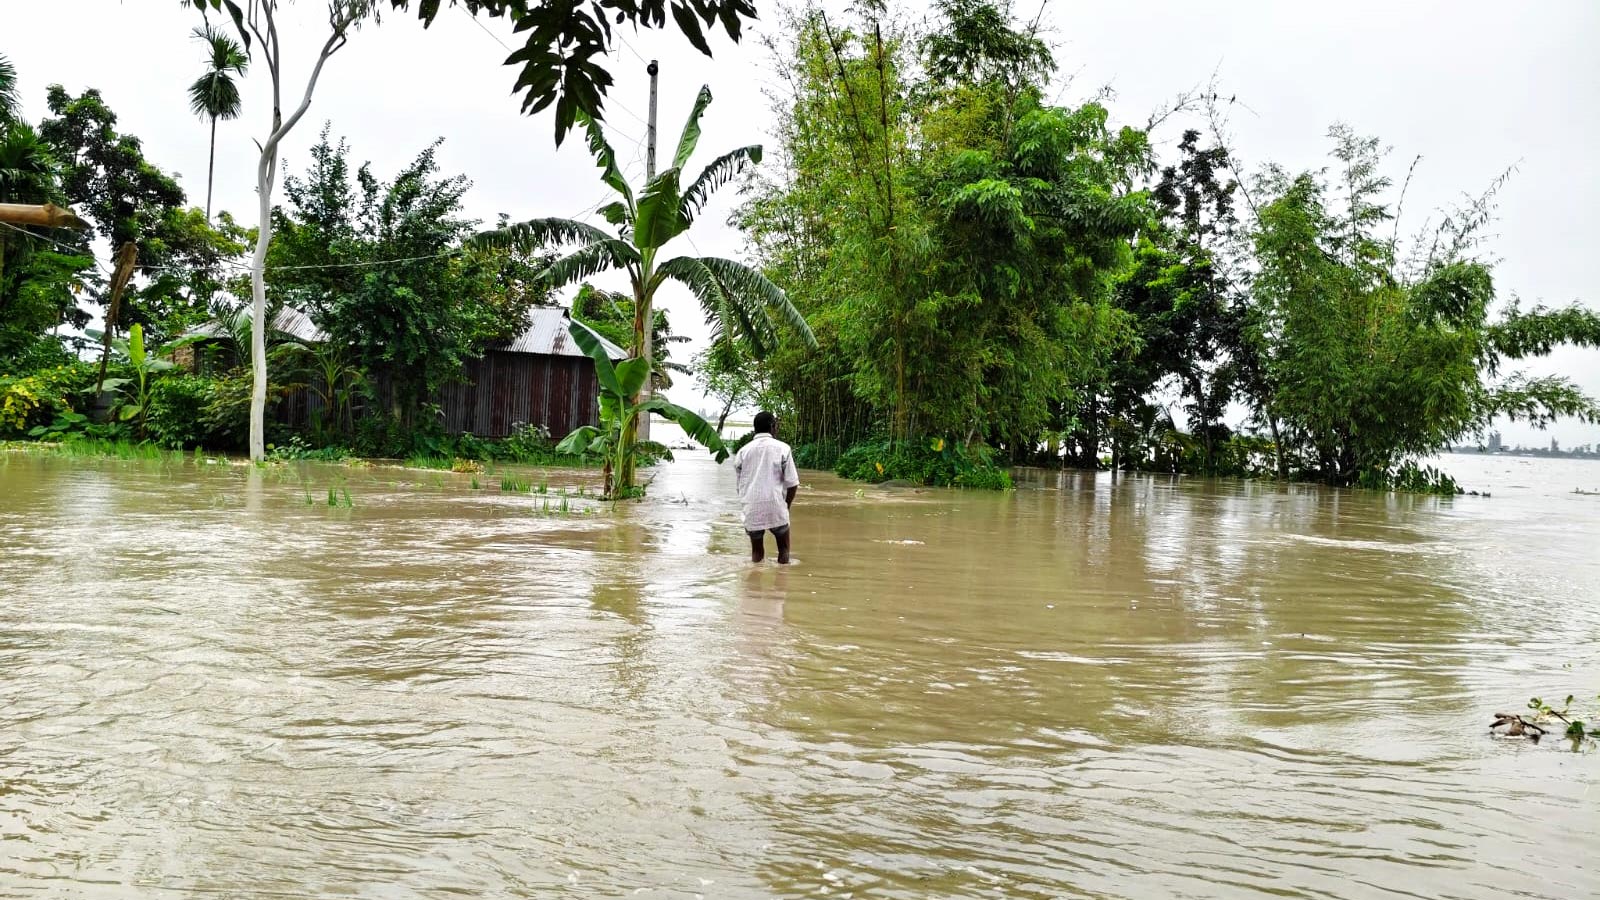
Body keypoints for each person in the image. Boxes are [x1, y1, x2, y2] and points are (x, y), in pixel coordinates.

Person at [734, 411, 800, 564]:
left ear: (755, 428)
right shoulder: (783, 448)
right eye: (776, 426)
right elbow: (793, 483)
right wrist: (786, 506)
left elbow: (740, 486)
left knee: (756, 554)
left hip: (752, 507)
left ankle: (754, 584)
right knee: (784, 552)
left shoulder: (743, 451)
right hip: (775, 505)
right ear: (772, 427)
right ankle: (782, 584)